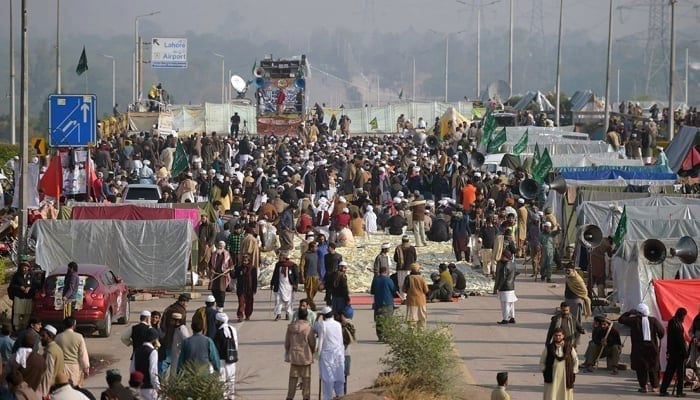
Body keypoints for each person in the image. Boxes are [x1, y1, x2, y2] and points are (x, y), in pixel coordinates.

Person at [618, 303, 665, 393]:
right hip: (652, 348)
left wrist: (629, 312)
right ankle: (655, 387)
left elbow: (621, 320)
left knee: (641, 368)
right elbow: (662, 332)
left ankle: (644, 386)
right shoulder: (653, 320)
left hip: (638, 349)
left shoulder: (634, 320)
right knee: (653, 368)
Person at [314, 306, 345, 400]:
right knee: (339, 377)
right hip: (339, 353)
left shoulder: (322, 324)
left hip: (327, 355)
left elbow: (314, 327)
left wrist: (317, 317)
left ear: (323, 316)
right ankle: (341, 396)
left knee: (328, 379)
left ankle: (327, 398)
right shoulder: (338, 324)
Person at [285, 308, 316, 400]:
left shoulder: (291, 327)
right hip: (305, 356)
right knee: (306, 379)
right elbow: (312, 343)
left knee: (293, 378)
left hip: (294, 356)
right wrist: (312, 351)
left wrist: (288, 351)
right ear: (306, 316)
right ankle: (306, 397)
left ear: (297, 316)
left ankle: (290, 397)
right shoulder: (308, 328)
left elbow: (287, 343)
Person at [540, 328, 579, 400]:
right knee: (551, 394)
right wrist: (544, 370)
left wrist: (573, 371)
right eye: (556, 335)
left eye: (559, 335)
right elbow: (542, 361)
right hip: (552, 376)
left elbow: (575, 360)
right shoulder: (549, 348)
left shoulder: (569, 347)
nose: (558, 337)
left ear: (563, 336)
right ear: (553, 336)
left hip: (566, 376)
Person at [659, 307, 689, 397]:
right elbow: (681, 341)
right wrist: (685, 353)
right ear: (682, 315)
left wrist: (668, 350)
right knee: (680, 374)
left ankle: (663, 389)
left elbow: (669, 339)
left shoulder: (672, 322)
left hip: (672, 352)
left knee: (669, 372)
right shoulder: (678, 325)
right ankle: (679, 392)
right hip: (678, 353)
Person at [55, 317, 90, 388]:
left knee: (62, 388)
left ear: (63, 326)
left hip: (61, 367)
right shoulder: (79, 337)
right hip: (74, 367)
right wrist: (86, 368)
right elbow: (83, 354)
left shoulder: (58, 337)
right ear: (74, 325)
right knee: (74, 388)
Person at [159, 293, 190, 374]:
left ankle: (161, 378)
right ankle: (160, 379)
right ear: (183, 302)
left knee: (166, 361)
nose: (187, 304)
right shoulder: (180, 311)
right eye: (187, 302)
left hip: (166, 336)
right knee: (168, 361)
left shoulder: (172, 307)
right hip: (172, 338)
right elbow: (181, 327)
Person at [213, 313, 238, 400]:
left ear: (219, 321)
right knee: (231, 380)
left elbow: (216, 349)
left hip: (222, 360)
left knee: (222, 380)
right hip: (232, 359)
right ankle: (231, 397)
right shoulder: (232, 329)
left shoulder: (219, 333)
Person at [370, 265, 398, 341]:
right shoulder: (389, 280)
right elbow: (393, 290)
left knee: (379, 320)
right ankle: (387, 336)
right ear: (386, 272)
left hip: (378, 302)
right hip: (388, 302)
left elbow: (372, 291)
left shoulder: (375, 280)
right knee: (388, 319)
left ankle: (380, 336)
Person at [132, 328, 160, 400]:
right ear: (154, 339)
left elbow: (132, 369)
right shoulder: (153, 352)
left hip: (138, 389)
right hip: (149, 389)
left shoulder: (137, 350)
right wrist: (158, 387)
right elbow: (153, 372)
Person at [8, 261, 37, 332]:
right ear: (21, 268)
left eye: (26, 268)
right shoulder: (16, 275)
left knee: (27, 313)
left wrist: (29, 288)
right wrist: (19, 287)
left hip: (28, 297)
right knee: (17, 312)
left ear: (28, 268)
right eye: (23, 268)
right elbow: (12, 285)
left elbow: (36, 284)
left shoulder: (32, 275)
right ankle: (16, 327)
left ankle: (25, 326)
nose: (24, 269)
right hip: (19, 297)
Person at [272, 252, 299, 321]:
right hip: (279, 285)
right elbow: (275, 274)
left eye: (280, 257)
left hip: (288, 286)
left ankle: (287, 313)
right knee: (278, 300)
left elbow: (296, 276)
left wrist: (295, 284)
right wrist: (272, 283)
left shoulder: (292, 265)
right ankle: (278, 314)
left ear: (284, 258)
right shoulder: (278, 265)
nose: (279, 258)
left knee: (288, 301)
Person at [493, 250, 517, 325]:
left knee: (505, 304)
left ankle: (505, 319)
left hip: (505, 287)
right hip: (511, 286)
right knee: (511, 303)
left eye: (503, 256)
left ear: (506, 257)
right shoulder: (512, 264)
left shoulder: (505, 265)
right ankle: (512, 317)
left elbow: (502, 278)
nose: (501, 257)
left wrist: (498, 288)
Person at [403, 263, 429, 329]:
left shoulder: (408, 278)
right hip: (421, 300)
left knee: (412, 318)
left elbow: (404, 289)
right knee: (422, 318)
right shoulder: (422, 278)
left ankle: (412, 335)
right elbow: (426, 290)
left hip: (411, 301)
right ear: (418, 269)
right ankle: (421, 334)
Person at [208, 240, 232, 310]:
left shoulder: (227, 255)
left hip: (223, 277)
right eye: (219, 245)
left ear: (224, 247)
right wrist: (211, 269)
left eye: (221, 246)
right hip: (215, 276)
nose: (220, 247)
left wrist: (227, 270)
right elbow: (210, 264)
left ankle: (220, 307)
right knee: (214, 291)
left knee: (221, 292)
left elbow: (231, 265)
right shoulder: (214, 254)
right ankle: (216, 305)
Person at [234, 254, 258, 322]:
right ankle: (240, 316)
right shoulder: (239, 268)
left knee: (249, 304)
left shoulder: (253, 268)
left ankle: (248, 315)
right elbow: (234, 276)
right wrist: (231, 270)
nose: (244, 262)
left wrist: (254, 289)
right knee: (241, 303)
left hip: (249, 289)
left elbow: (254, 280)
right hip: (241, 289)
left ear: (248, 261)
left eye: (246, 261)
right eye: (243, 260)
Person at [394, 236, 417, 300]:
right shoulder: (412, 248)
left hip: (400, 268)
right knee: (408, 283)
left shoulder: (398, 248)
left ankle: (403, 297)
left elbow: (395, 259)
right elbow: (415, 258)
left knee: (401, 283)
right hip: (409, 268)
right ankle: (408, 297)